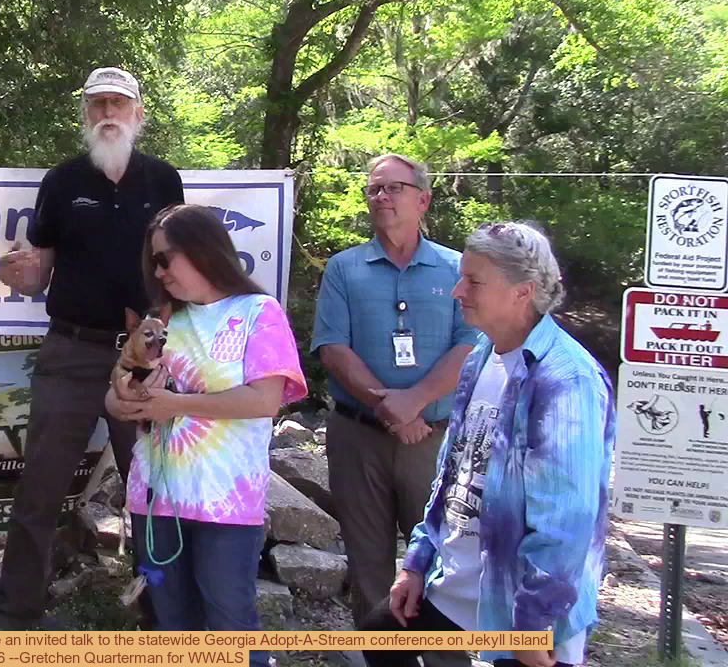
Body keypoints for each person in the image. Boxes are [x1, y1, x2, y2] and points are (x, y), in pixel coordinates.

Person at [359, 221, 616, 667]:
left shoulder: (565, 379)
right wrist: (417, 562)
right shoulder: (482, 354)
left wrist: (534, 623)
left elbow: (567, 519)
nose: (457, 290)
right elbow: (454, 471)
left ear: (523, 291)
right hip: (455, 582)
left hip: (520, 606)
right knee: (379, 641)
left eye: (473, 280)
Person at [0, 67, 184, 628]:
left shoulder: (164, 181)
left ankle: (163, 611)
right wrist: (15, 274)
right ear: (84, 115)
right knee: (41, 487)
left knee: (151, 486)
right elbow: (35, 277)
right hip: (72, 351)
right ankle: (14, 611)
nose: (107, 114)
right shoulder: (62, 180)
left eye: (118, 105)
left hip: (142, 357)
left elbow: (175, 274)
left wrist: (157, 344)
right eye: (97, 104)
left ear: (138, 115)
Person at [106, 204, 306, 667]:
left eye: (164, 259)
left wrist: (177, 405)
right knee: (169, 627)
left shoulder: (260, 311)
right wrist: (122, 400)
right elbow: (118, 393)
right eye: (153, 262)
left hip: (227, 505)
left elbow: (263, 400)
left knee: (230, 625)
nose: (157, 272)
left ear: (201, 250)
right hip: (156, 499)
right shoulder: (164, 320)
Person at [310, 154, 479, 633]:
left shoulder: (456, 268)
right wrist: (391, 408)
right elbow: (332, 348)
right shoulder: (344, 268)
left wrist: (415, 402)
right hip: (357, 438)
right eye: (374, 189)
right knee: (368, 568)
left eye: (394, 188)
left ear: (423, 199)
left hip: (434, 440)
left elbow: (469, 345)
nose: (382, 197)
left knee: (441, 564)